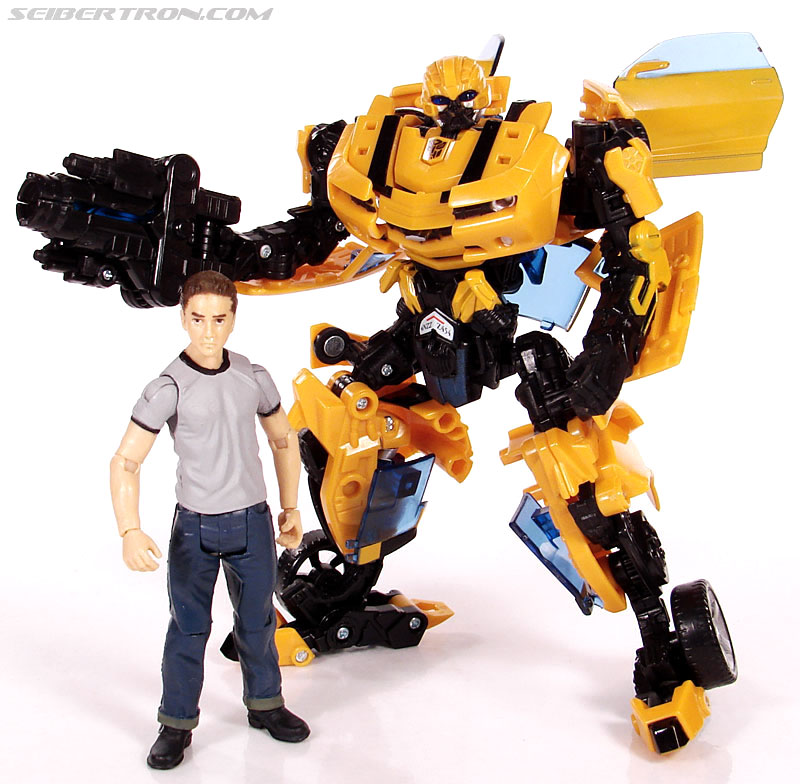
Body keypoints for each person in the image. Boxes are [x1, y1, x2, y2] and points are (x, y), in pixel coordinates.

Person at [110, 270, 309, 770]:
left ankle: (266, 704)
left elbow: (284, 439)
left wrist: (290, 506)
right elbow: (126, 461)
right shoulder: (168, 387)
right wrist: (129, 530)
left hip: (253, 522)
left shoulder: (252, 376)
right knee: (188, 628)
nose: (208, 331)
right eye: (198, 319)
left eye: (219, 319)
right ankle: (176, 723)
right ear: (183, 318)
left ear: (233, 319)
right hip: (194, 527)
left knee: (258, 621)